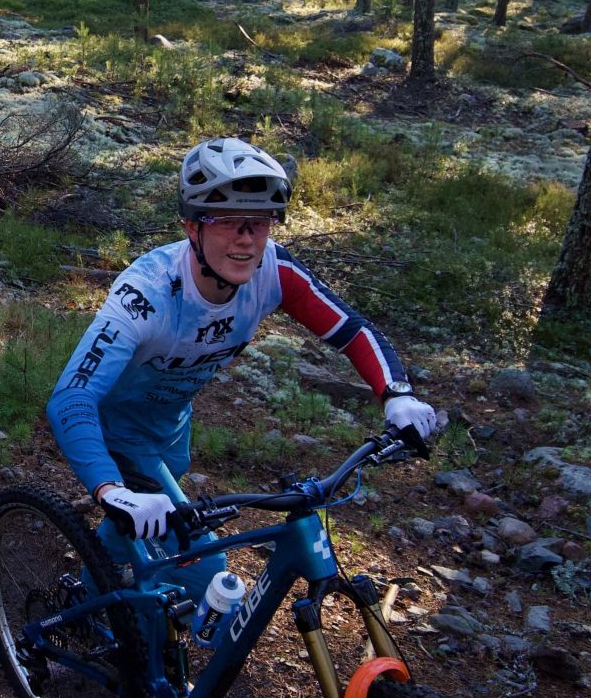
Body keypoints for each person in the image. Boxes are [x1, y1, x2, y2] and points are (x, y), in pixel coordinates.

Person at [46, 138, 444, 547]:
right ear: (192, 226)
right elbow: (71, 399)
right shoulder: (147, 294)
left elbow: (353, 331)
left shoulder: (275, 270)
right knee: (201, 560)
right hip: (114, 429)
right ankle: (103, 598)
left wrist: (397, 394)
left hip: (171, 427)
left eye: (260, 221)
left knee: (145, 538)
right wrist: (110, 490)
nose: (246, 239)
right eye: (227, 220)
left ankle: (103, 593)